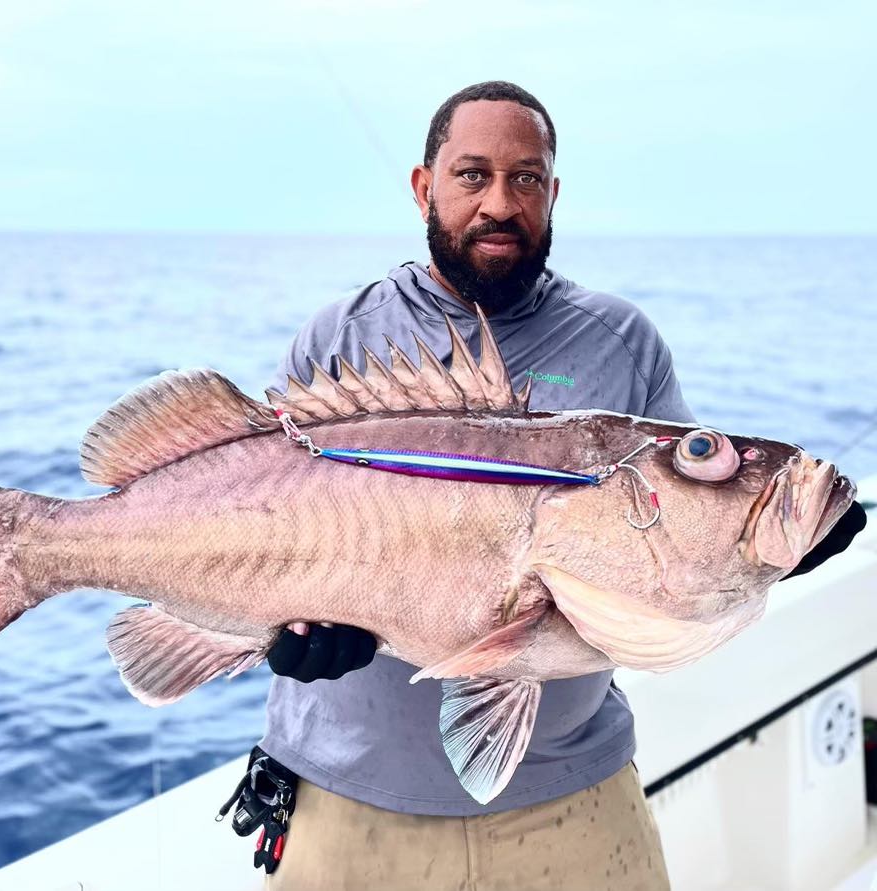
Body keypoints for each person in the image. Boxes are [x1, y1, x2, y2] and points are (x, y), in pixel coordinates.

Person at [255, 81, 867, 891]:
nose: (500, 202)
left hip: (572, 792)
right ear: (423, 187)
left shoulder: (624, 340)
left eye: (528, 177)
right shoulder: (341, 337)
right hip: (349, 794)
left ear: (554, 190)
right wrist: (274, 630)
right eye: (472, 175)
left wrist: (767, 546)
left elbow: (670, 542)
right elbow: (258, 524)